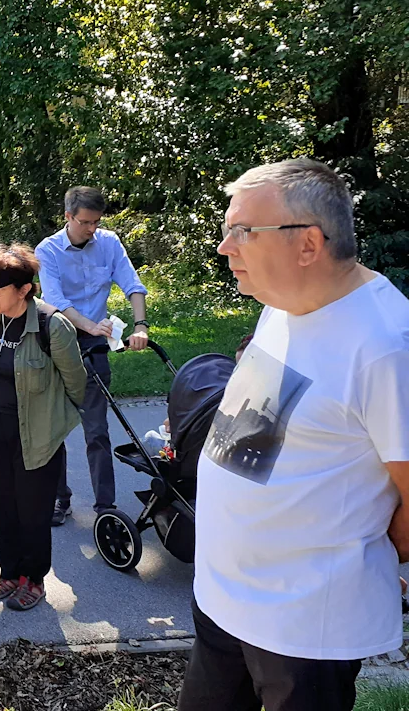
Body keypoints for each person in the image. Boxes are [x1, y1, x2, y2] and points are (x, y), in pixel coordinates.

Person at [178, 159, 409, 711]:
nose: (223, 247)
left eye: (242, 232)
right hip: (222, 601)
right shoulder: (281, 306)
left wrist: (370, 553)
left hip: (304, 630)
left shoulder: (386, 345)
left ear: (308, 244)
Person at [0, 244, 86, 611]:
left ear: (25, 290)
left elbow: (76, 384)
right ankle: (9, 573)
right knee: (4, 506)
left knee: (33, 511)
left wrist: (53, 426)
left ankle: (33, 580)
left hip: (37, 436)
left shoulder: (53, 326)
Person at [36, 186, 149, 525]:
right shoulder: (49, 250)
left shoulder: (109, 243)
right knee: (54, 429)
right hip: (57, 344)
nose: (92, 229)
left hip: (94, 348)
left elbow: (133, 284)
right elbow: (55, 301)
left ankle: (105, 507)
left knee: (97, 430)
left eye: (97, 222)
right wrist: (88, 325)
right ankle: (59, 499)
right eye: (85, 222)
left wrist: (140, 326)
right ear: (68, 216)